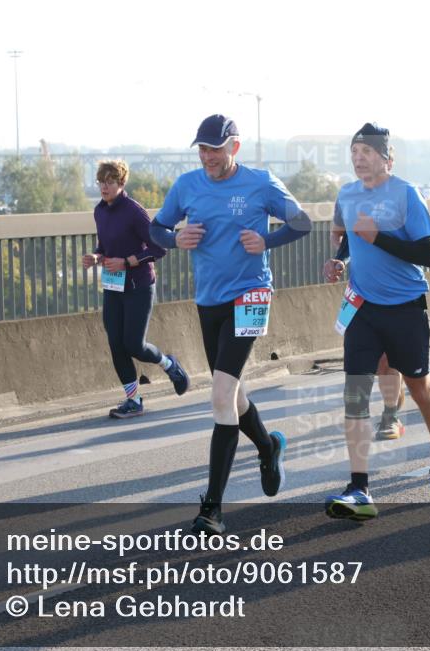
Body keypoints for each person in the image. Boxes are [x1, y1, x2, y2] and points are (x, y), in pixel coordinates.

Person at [150, 115, 312, 534]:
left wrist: (266, 241)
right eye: (202, 149)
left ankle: (212, 510)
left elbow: (302, 222)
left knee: (220, 393)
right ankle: (268, 445)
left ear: (234, 147)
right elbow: (156, 228)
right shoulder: (187, 185)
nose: (207, 156)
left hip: (252, 293)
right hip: (209, 299)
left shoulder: (260, 182)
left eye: (215, 149)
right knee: (232, 394)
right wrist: (174, 240)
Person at [324, 122, 430, 521]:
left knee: (420, 389)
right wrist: (340, 259)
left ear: (387, 158)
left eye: (366, 152)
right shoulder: (347, 194)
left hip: (404, 307)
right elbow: (350, 239)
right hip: (363, 307)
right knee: (355, 395)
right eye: (354, 152)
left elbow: (429, 254)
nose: (359, 158)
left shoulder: (405, 193)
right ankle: (359, 487)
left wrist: (378, 237)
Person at [81, 160, 189, 418]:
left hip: (139, 286)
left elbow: (159, 247)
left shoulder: (134, 211)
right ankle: (133, 400)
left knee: (133, 344)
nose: (104, 187)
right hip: (113, 286)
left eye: (110, 182)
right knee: (116, 344)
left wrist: (128, 261)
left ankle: (168, 364)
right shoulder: (99, 211)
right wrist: (96, 257)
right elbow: (105, 246)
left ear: (121, 183)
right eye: (101, 182)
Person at [326, 235, 406, 440]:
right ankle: (394, 392)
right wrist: (339, 260)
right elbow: (341, 235)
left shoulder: (406, 202)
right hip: (361, 294)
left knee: (389, 360)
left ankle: (390, 416)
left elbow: (423, 246)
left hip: (397, 292)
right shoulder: (348, 203)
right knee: (376, 366)